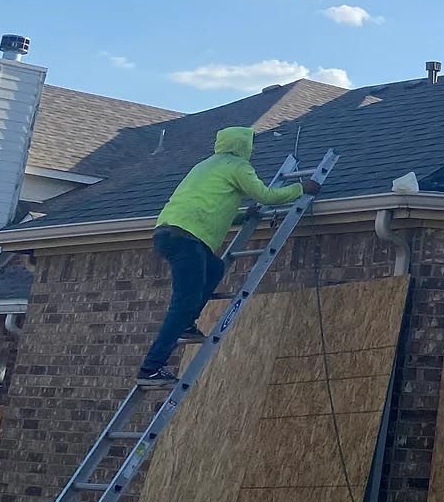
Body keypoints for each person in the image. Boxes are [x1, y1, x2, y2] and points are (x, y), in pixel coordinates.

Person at [135, 126, 320, 384]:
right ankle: (151, 368)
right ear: (242, 146)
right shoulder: (238, 166)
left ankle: (187, 323)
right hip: (188, 239)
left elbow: (208, 206)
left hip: (169, 232)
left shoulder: (203, 166)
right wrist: (301, 188)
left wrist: (243, 216)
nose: (253, 150)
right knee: (182, 303)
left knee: (214, 269)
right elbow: (266, 195)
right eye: (251, 145)